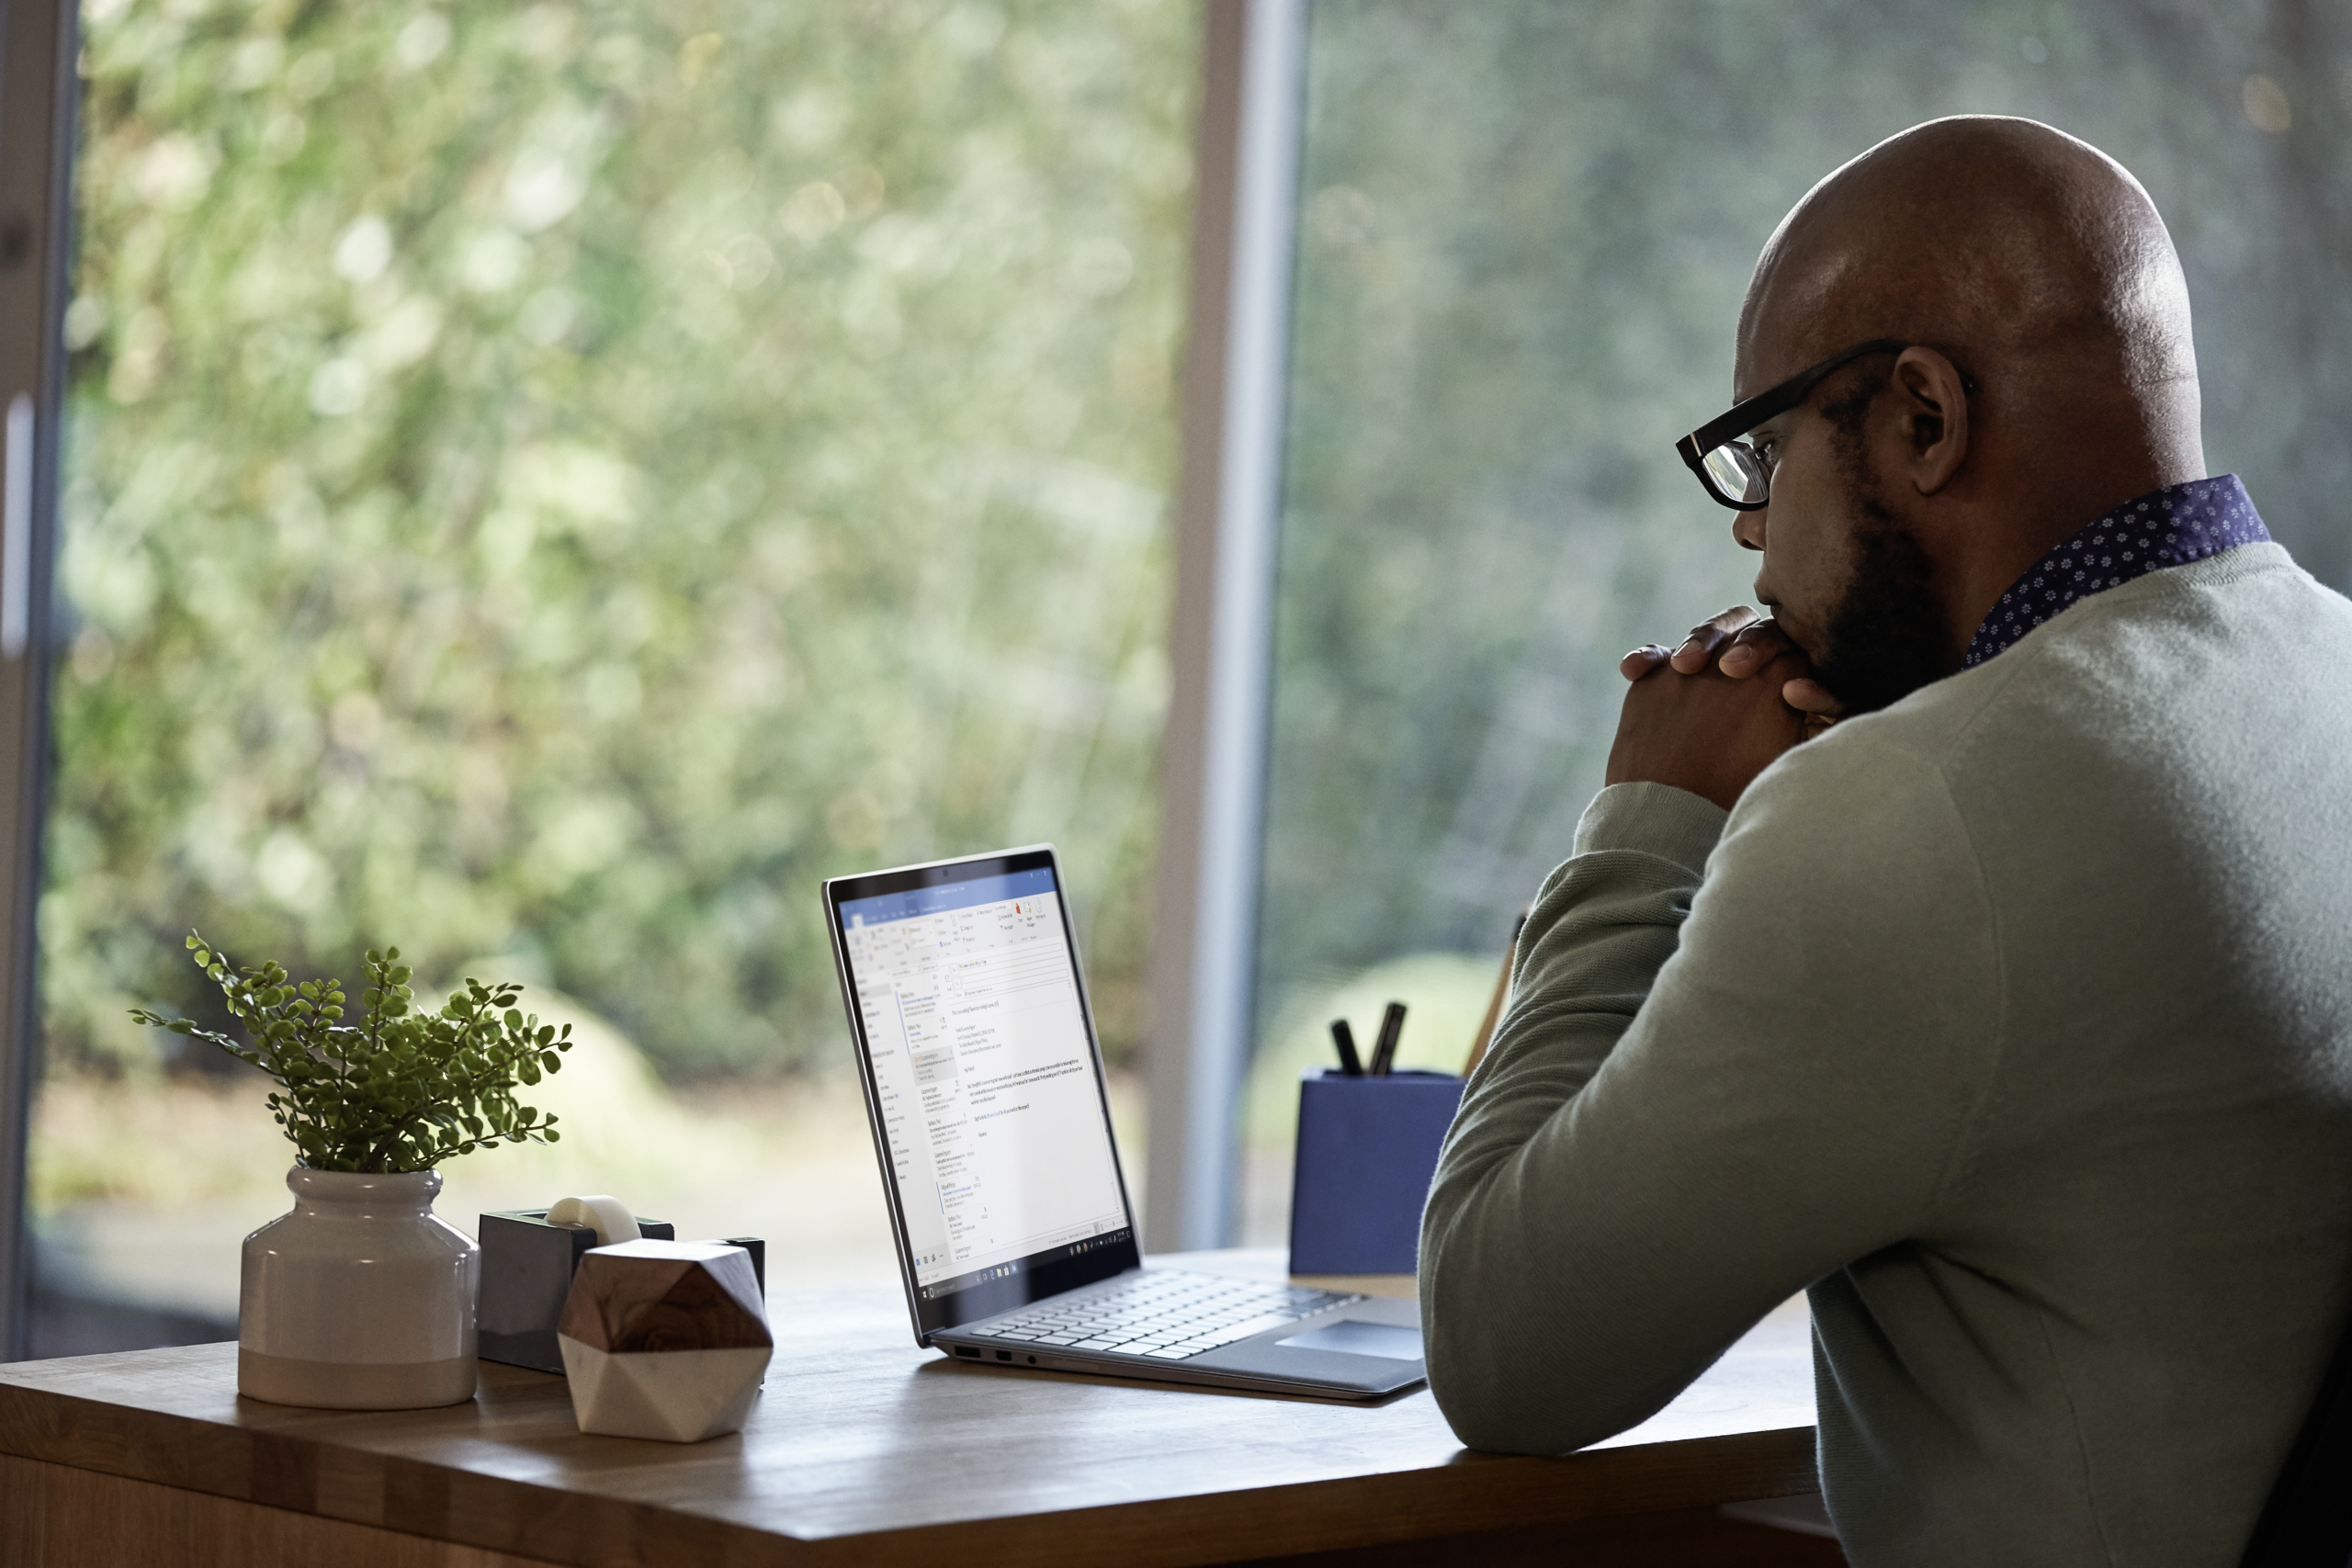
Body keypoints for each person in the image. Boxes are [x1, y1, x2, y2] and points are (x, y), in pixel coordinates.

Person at [1418, 114, 2352, 1566]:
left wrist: (1648, 826)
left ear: (1923, 417)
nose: (1750, 542)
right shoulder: (2332, 674)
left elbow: (1500, 1351)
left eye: (1765, 452)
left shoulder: (1918, 815)